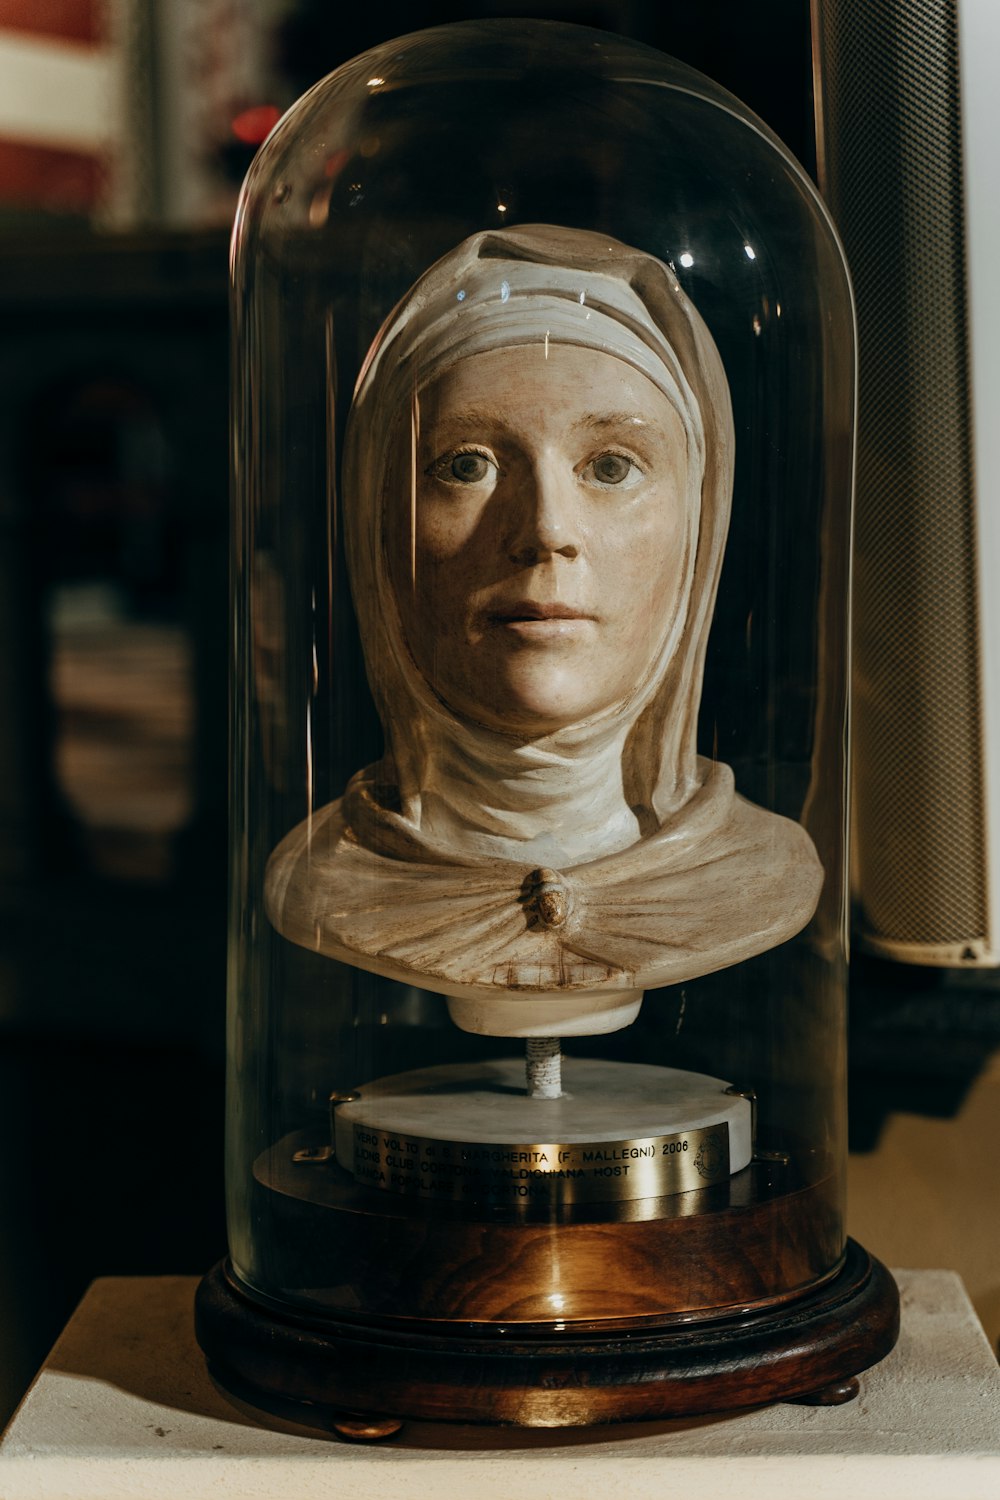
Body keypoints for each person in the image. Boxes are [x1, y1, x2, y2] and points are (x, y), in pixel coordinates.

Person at [265, 225, 823, 1037]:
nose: (545, 530)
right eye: (466, 465)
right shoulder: (325, 878)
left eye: (611, 466)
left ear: (699, 530)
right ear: (376, 522)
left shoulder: (759, 872)